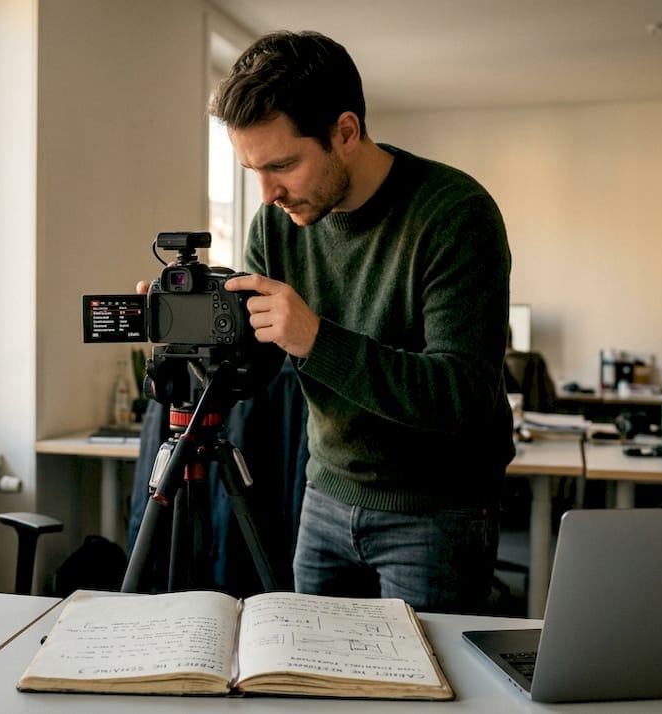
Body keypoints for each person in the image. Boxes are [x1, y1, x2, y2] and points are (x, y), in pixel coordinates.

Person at [207, 30, 514, 614]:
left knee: (423, 699)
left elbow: (463, 395)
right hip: (324, 495)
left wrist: (317, 339)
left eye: (282, 165)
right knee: (313, 689)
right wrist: (199, 332)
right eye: (252, 170)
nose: (268, 192)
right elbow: (260, 367)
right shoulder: (275, 225)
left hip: (437, 512)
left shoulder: (454, 213)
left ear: (345, 132)